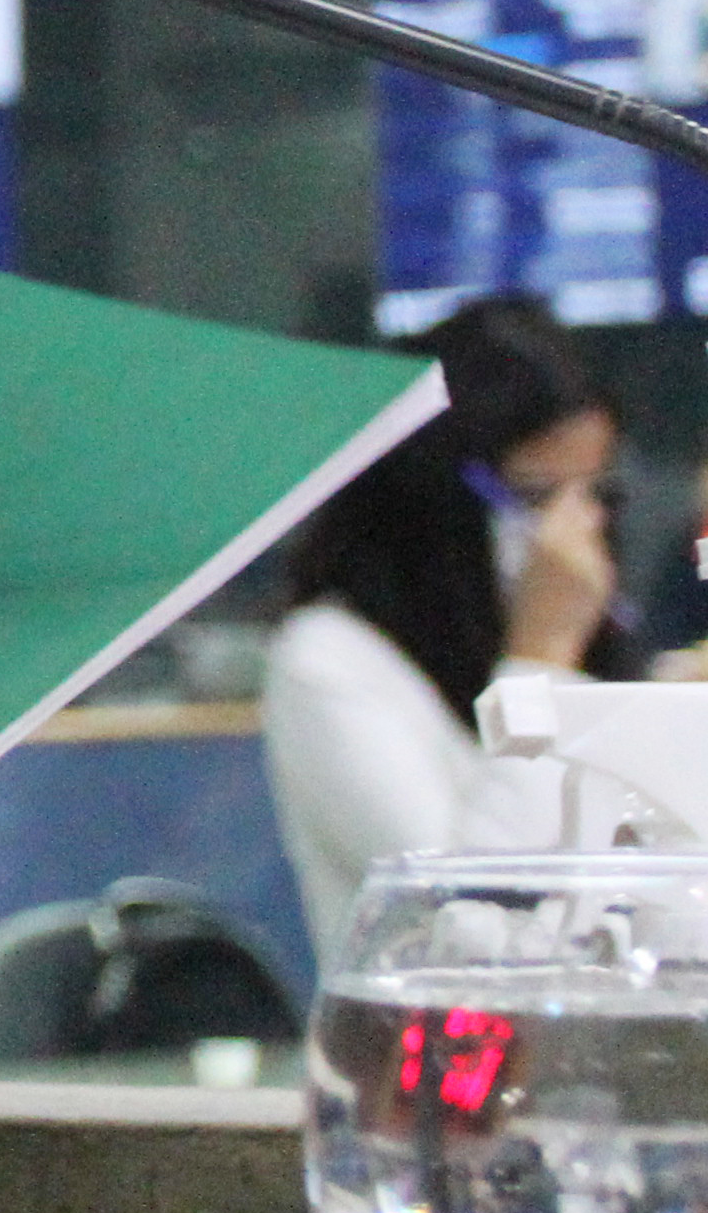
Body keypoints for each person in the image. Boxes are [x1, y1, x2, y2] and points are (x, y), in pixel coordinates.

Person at [259, 294, 649, 953]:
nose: (573, 532)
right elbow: (477, 926)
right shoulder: (327, 663)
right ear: (437, 492)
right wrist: (542, 655)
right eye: (536, 494)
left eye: (595, 494)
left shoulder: (582, 647)